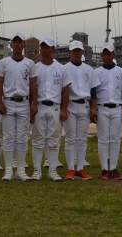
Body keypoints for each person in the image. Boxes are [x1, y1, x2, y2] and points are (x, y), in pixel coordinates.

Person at [0, 32, 37, 181]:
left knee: (22, 137)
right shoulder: (4, 62)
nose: (18, 45)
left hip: (24, 103)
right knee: (8, 137)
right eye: (15, 42)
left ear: (24, 45)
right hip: (8, 102)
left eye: (20, 42)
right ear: (11, 44)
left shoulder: (30, 63)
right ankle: (8, 170)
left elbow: (33, 84)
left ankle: (20, 170)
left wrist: (34, 103)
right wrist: (0, 102)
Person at [90, 42, 122, 181]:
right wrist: (93, 109)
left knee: (115, 139)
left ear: (114, 55)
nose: (107, 57)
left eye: (109, 54)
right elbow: (93, 92)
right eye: (104, 54)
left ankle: (113, 168)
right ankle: (104, 169)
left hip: (116, 108)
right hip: (102, 108)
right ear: (101, 56)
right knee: (103, 140)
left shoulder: (121, 72)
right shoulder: (97, 72)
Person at [30, 37, 70, 182]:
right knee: (37, 139)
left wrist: (64, 109)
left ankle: (52, 171)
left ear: (53, 50)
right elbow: (31, 88)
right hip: (39, 106)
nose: (45, 50)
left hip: (55, 107)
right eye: (43, 47)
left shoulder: (61, 68)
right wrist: (32, 105)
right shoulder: (35, 68)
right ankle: (37, 171)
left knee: (54, 140)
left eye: (48, 48)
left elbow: (65, 90)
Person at [64, 40, 100, 180]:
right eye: (74, 50)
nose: (76, 53)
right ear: (69, 52)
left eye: (79, 50)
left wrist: (93, 108)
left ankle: (80, 168)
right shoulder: (64, 68)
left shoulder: (89, 69)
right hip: (70, 105)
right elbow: (63, 90)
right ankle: (70, 169)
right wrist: (63, 108)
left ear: (82, 52)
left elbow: (93, 90)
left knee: (82, 139)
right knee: (70, 138)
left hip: (85, 104)